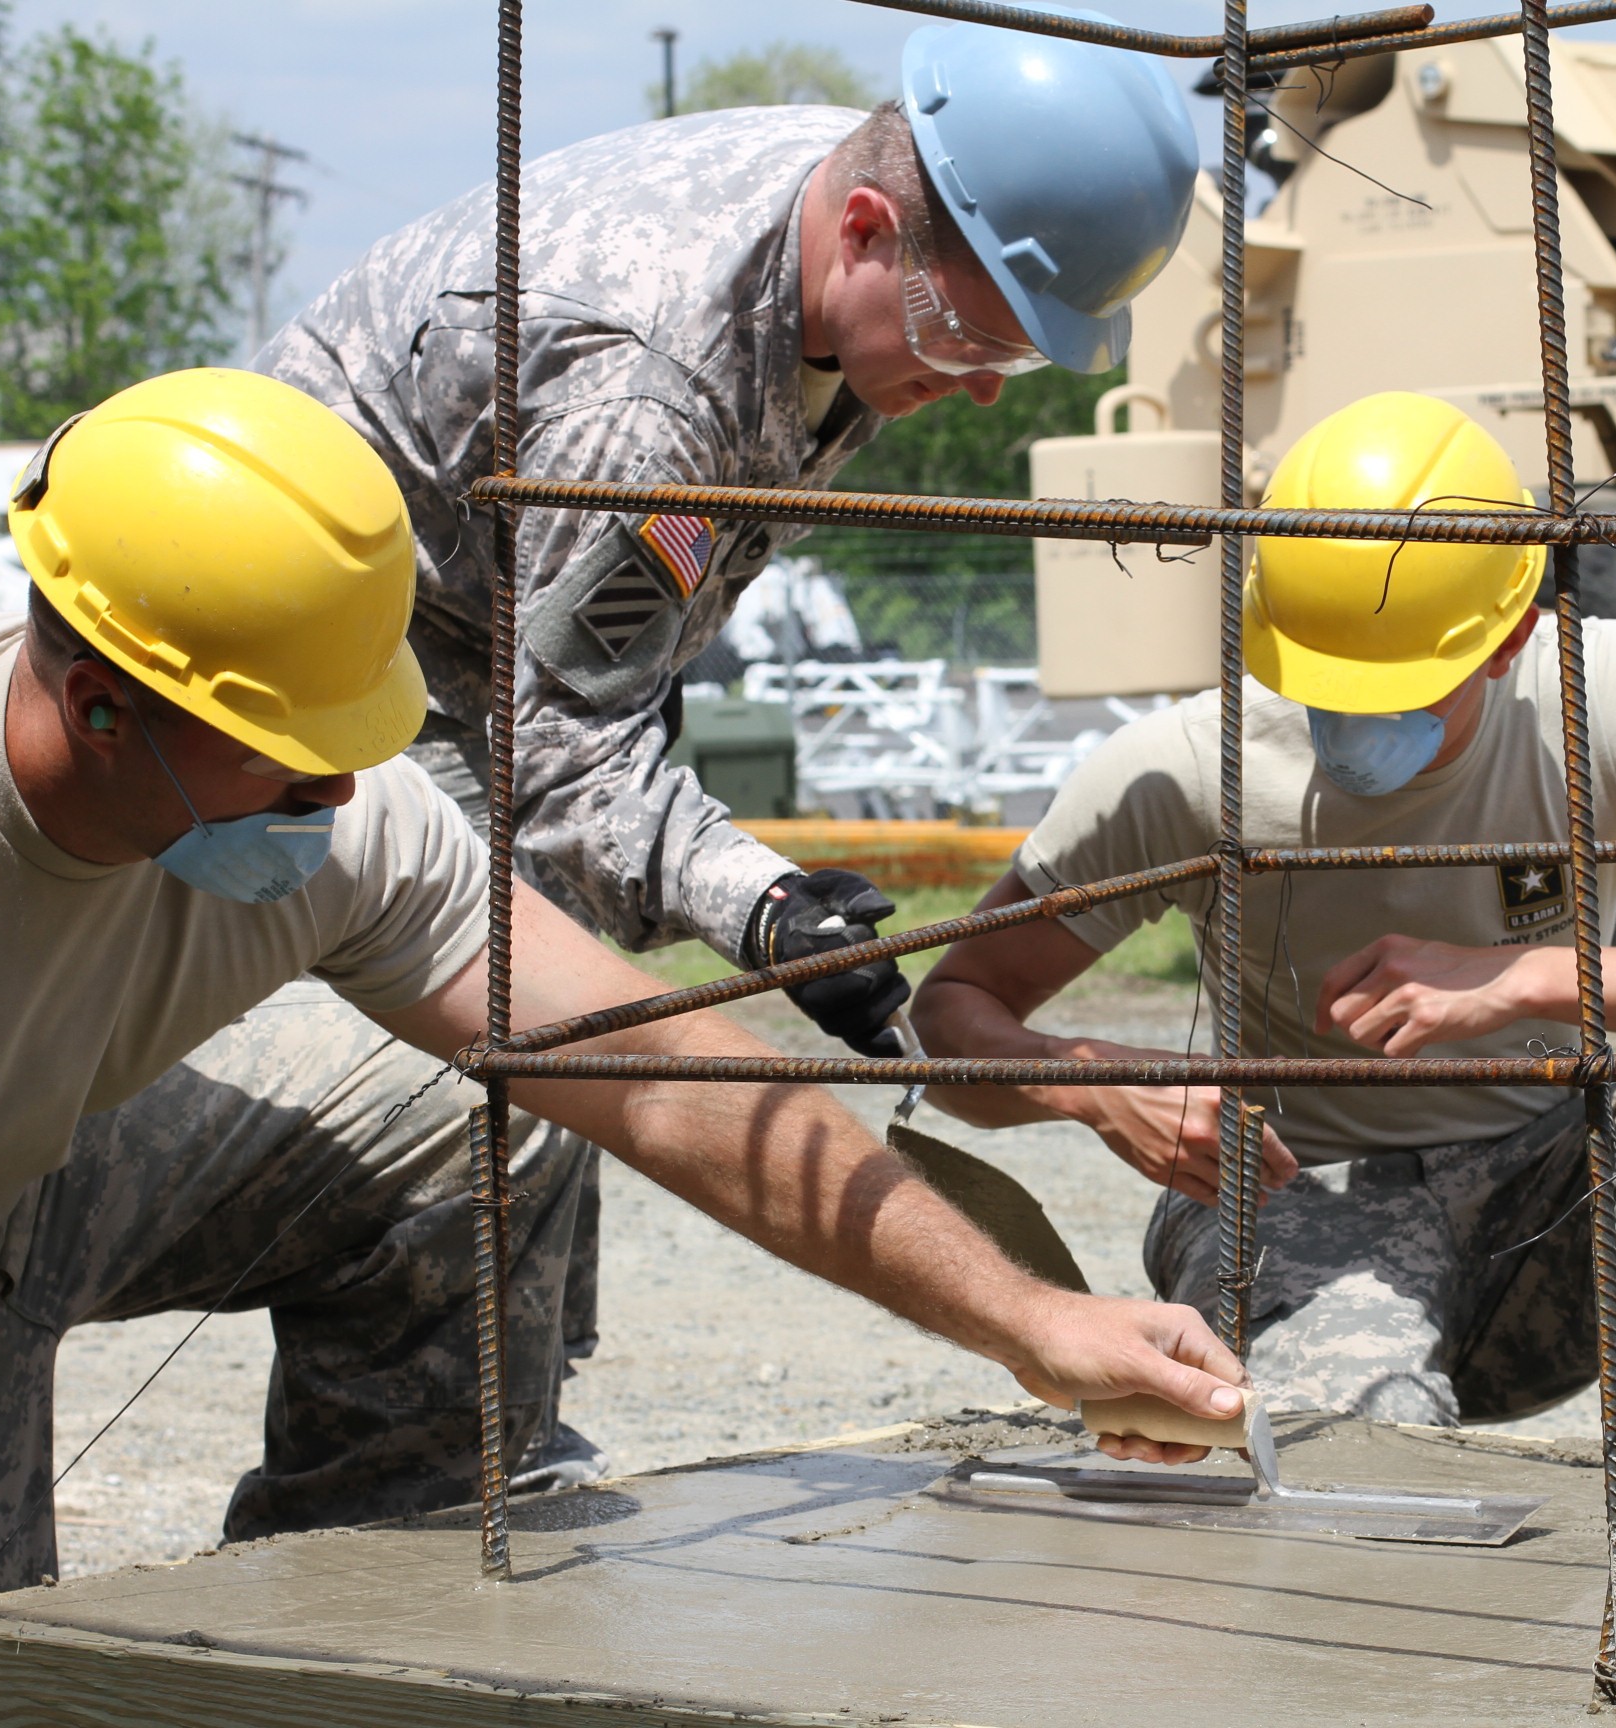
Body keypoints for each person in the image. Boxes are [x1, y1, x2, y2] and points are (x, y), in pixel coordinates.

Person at [0, 369, 1244, 1616]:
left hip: (13, 1170)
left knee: (478, 1113)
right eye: (294, 760)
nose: (341, 796)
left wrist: (1032, 1325)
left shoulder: (352, 825)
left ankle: (356, 1619)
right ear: (98, 707)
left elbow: (660, 1077)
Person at [258, 17, 1200, 1471]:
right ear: (869, 230)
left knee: (559, 1018)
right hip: (344, 658)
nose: (981, 387)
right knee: (527, 1029)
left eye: (1022, 354)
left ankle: (497, 1412)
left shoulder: (855, 230)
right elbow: (563, 758)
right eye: (969, 337)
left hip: (490, 634)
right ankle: (405, 1481)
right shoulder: (653, 388)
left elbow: (613, 657)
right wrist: (760, 906)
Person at [912, 393, 1616, 1440]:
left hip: (1554, 1194)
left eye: (1397, 691)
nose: (1351, 722)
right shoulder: (1189, 771)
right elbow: (954, 1010)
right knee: (1361, 1462)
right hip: (1306, 1200)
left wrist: (1533, 978)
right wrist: (1098, 1086)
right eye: (1322, 680)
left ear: (1508, 641)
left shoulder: (1606, 689)